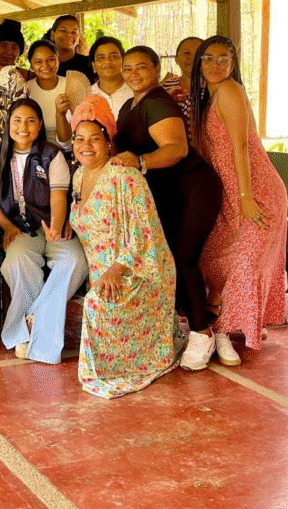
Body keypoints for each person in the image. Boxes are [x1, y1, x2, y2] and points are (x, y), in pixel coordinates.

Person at [114, 45, 223, 372]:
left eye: (142, 67)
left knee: (183, 258)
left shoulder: (159, 102)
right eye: (128, 68)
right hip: (169, 192)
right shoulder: (128, 106)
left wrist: (141, 160)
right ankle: (183, 323)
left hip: (194, 186)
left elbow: (175, 148)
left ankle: (203, 333)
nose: (134, 74)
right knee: (167, 259)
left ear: (157, 71)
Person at [69, 96, 179, 398]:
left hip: (138, 271)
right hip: (102, 272)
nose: (86, 146)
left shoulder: (125, 176)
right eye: (80, 139)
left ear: (108, 141)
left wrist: (116, 270)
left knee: (95, 305)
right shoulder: (78, 176)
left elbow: (145, 236)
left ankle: (125, 366)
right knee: (92, 300)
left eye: (95, 138)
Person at [191, 36, 287, 361]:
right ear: (198, 64)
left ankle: (221, 334)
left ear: (233, 63)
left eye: (224, 58)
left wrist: (245, 196)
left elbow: (241, 147)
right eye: (208, 58)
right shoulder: (210, 96)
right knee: (218, 258)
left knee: (243, 260)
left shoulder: (230, 90)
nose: (216, 65)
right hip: (230, 191)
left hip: (254, 191)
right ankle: (226, 327)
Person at [0, 98, 88, 363]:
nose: (23, 127)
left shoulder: (51, 154)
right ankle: (32, 334)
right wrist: (6, 227)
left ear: (40, 124)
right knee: (18, 261)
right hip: (19, 230)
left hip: (52, 224)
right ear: (8, 125)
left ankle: (31, 324)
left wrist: (56, 224)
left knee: (75, 261)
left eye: (31, 120)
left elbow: (58, 194)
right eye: (17, 120)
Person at [26, 39, 77, 147]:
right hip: (37, 153)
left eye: (50, 59)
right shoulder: (25, 89)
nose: (45, 65)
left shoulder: (71, 85)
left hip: (71, 150)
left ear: (58, 60)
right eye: (38, 62)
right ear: (31, 65)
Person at [162, 36, 203, 134]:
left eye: (198, 53)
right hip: (177, 146)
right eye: (186, 53)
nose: (193, 58)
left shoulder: (215, 87)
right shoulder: (165, 88)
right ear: (176, 59)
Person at [87, 36, 132, 119]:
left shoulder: (135, 91)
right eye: (101, 58)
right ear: (93, 65)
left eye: (114, 56)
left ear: (123, 60)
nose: (107, 61)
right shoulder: (86, 95)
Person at [50, 15, 95, 83]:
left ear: (78, 38)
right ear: (53, 35)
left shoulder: (88, 64)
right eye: (63, 30)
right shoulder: (46, 64)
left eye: (74, 32)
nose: (69, 34)